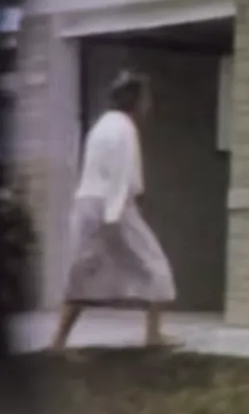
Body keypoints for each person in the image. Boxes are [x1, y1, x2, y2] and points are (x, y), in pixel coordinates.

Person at [51, 71, 176, 350]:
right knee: (154, 263)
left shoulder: (102, 125)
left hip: (87, 204)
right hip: (111, 205)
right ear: (136, 100)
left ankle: (58, 340)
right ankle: (154, 335)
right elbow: (123, 176)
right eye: (146, 98)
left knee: (81, 272)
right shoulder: (125, 129)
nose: (148, 104)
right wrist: (115, 216)